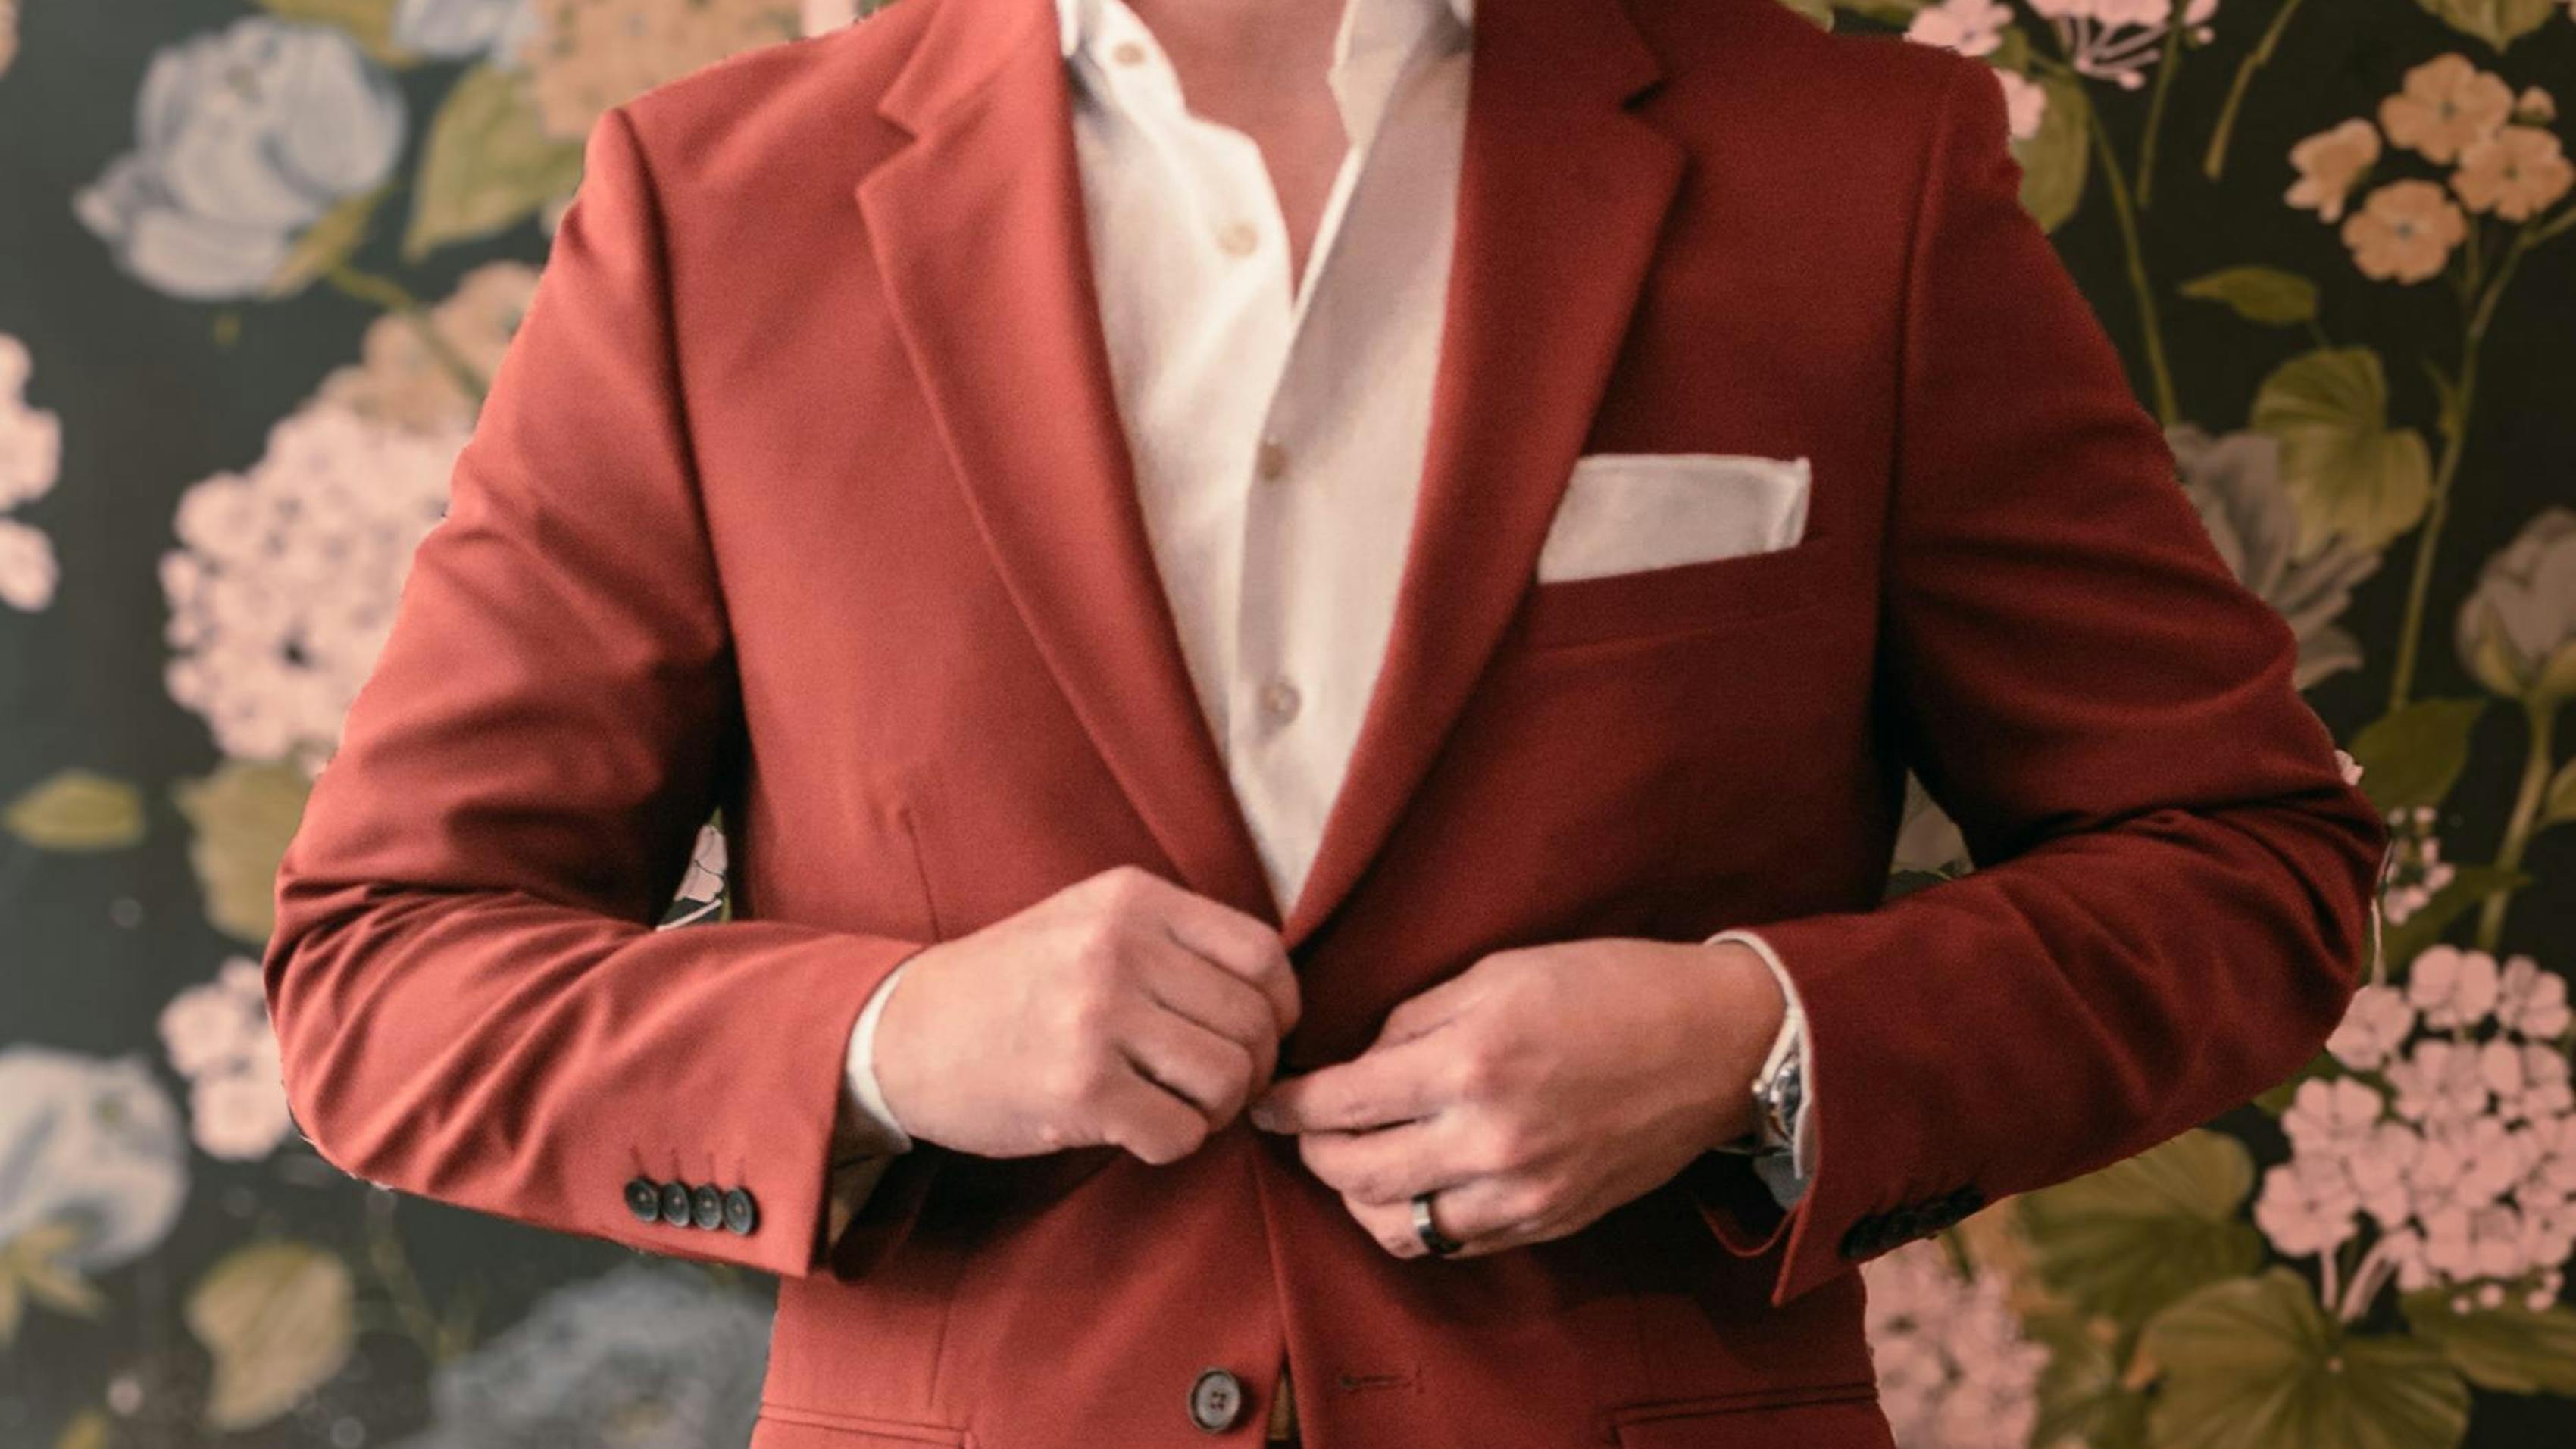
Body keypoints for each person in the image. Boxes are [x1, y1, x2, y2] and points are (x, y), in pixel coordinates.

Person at [260, 0, 2392, 1443]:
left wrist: (1744, 1040)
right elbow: (385, 970)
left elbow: (2246, 861)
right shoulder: (716, 211)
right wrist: (894, 1043)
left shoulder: (1851, 167)